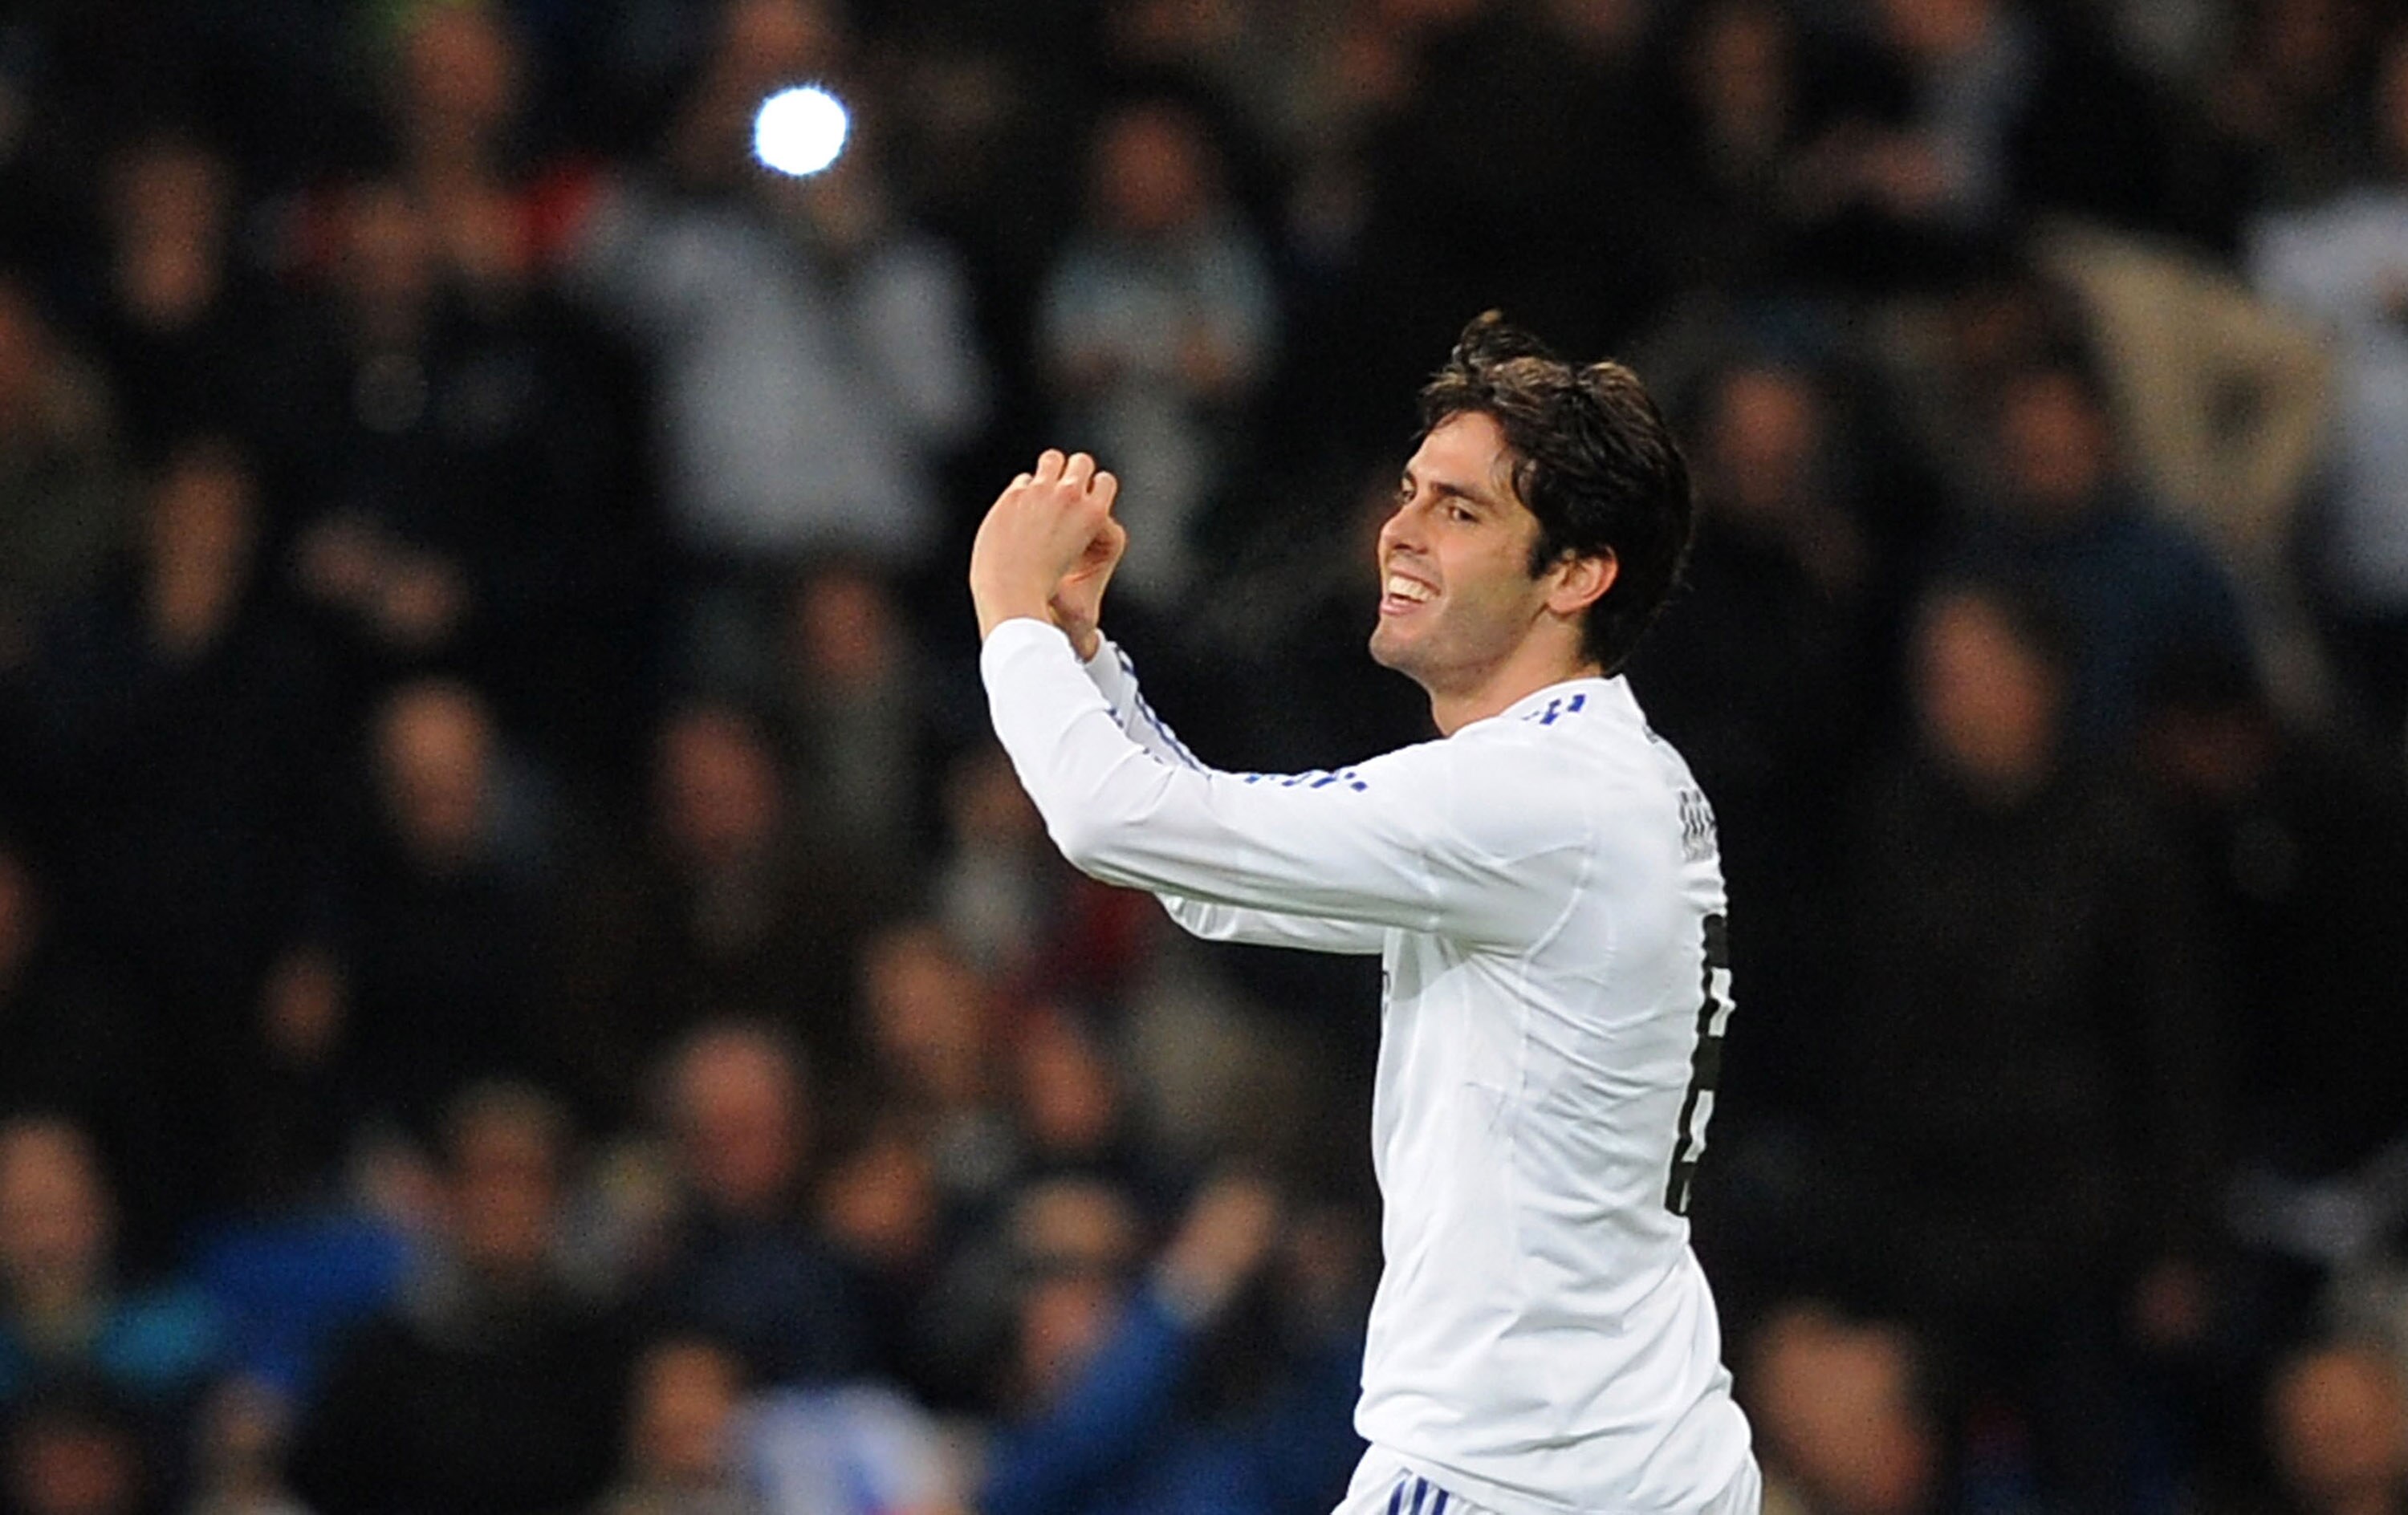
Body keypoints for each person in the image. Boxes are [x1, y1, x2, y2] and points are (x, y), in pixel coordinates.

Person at [967, 312, 1759, 1515]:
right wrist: (1084, 659)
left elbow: (1113, 824)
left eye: (1462, 510)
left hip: (1515, 1474)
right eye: (1410, 491)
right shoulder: (1592, 776)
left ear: (1578, 573)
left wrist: (1009, 613)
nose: (1401, 528)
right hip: (1624, 1459)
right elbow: (1211, 879)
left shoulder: (1539, 796)